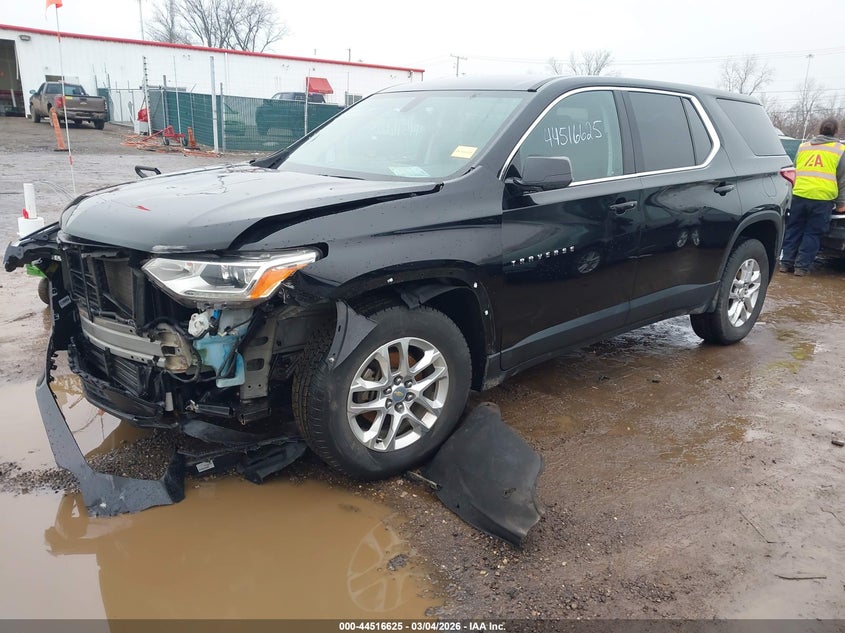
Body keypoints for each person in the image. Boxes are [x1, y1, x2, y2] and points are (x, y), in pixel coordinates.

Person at [780, 118, 845, 276]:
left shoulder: (803, 147)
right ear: (836, 131)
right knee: (812, 233)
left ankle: (785, 263)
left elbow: (795, 170)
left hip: (800, 194)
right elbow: (842, 178)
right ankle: (801, 268)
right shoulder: (840, 149)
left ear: (819, 130)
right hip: (822, 198)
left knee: (793, 229)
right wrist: (841, 203)